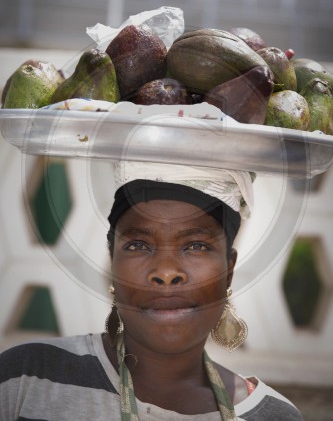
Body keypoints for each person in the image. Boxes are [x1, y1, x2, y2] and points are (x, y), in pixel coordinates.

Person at [0, 162, 304, 420]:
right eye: (138, 245)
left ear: (229, 271)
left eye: (196, 245)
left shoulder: (271, 414)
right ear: (113, 265)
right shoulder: (26, 379)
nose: (167, 272)